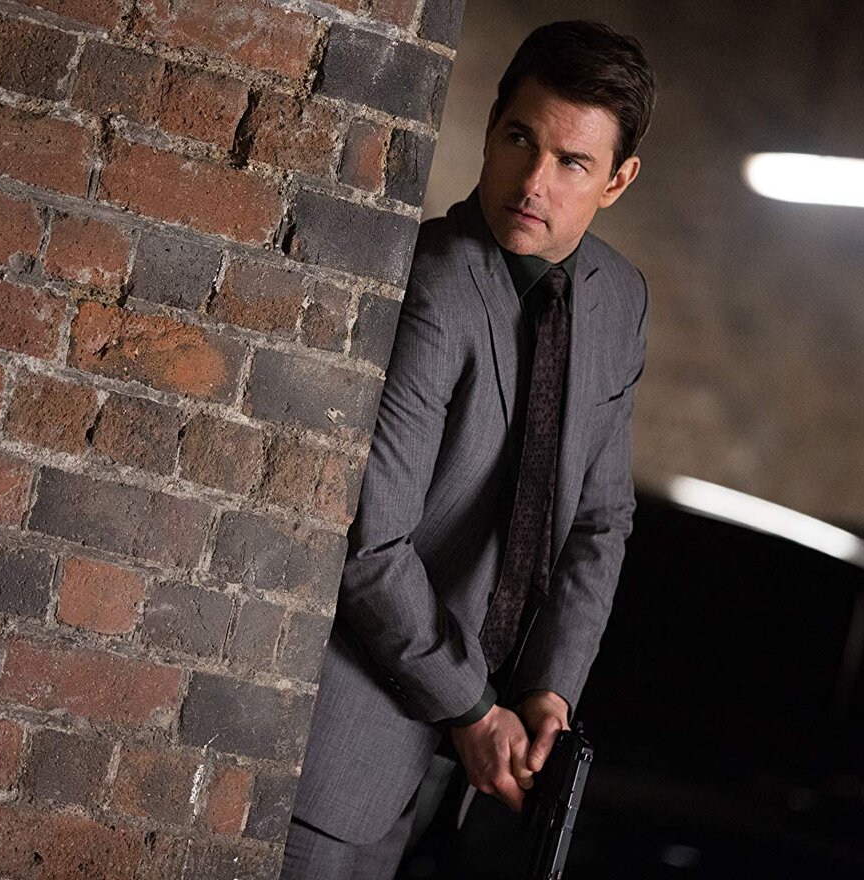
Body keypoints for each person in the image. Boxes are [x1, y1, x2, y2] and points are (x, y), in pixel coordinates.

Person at [280, 20, 657, 879]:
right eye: (521, 139)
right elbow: (372, 546)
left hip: (467, 773)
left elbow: (602, 522)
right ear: (490, 128)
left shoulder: (619, 302)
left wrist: (551, 690)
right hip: (349, 744)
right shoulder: (434, 282)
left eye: (572, 162)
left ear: (617, 180)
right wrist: (474, 711)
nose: (533, 182)